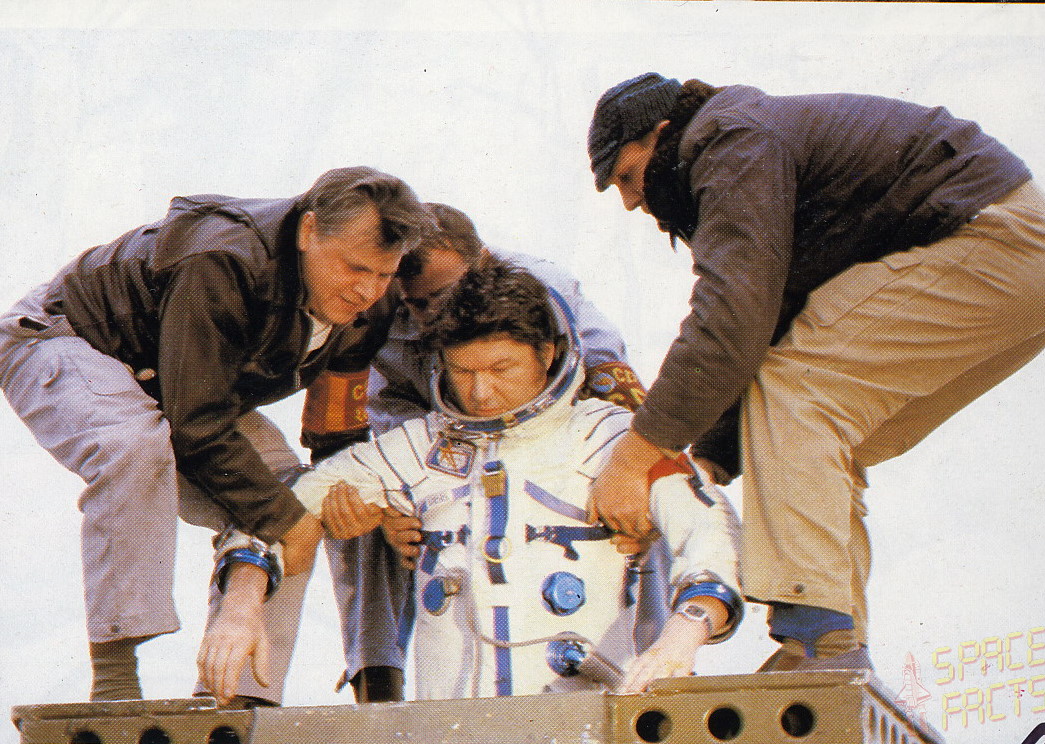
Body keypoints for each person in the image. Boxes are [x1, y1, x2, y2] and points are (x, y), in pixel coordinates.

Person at [584, 72, 1045, 672]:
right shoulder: (746, 145)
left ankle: (815, 636)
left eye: (628, 177)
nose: (630, 202)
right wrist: (706, 464)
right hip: (1025, 264)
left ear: (660, 134)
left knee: (800, 390)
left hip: (992, 241)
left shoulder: (730, 144)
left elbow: (730, 321)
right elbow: (770, 320)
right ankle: (829, 648)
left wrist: (634, 458)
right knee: (827, 435)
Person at [198, 260, 743, 703]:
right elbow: (287, 505)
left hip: (588, 717)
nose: (480, 393)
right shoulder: (420, 447)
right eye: (463, 372)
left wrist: (683, 635)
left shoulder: (612, 441)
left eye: (501, 370)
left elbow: (709, 527)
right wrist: (241, 606)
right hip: (454, 725)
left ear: (547, 354)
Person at [0, 167, 434, 703]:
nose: (366, 290)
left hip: (182, 386)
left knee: (293, 494)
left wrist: (363, 501)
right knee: (135, 445)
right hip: (69, 340)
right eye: (355, 267)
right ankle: (116, 680)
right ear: (308, 230)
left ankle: (236, 699)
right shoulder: (223, 258)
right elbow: (196, 423)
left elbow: (335, 434)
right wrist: (286, 520)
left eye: (384, 274)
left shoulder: (371, 306)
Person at [324, 202, 652, 702]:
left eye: (440, 296)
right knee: (354, 497)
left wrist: (630, 474)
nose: (429, 316)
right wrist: (397, 502)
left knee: (653, 488)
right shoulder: (384, 315)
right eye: (416, 303)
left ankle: (657, 667)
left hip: (558, 443)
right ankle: (378, 679)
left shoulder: (544, 287)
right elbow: (388, 414)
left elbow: (613, 384)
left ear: (481, 262)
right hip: (450, 451)